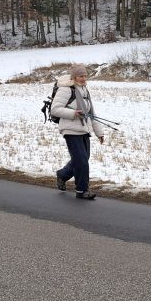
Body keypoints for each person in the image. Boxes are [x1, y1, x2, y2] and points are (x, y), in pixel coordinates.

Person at [52, 63, 105, 200]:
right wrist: (73, 113)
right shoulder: (66, 90)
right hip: (70, 129)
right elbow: (55, 109)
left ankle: (62, 175)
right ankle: (82, 190)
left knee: (82, 159)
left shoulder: (84, 90)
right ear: (74, 76)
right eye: (81, 76)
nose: (83, 78)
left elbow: (91, 113)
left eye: (85, 75)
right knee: (81, 161)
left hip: (83, 129)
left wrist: (99, 133)